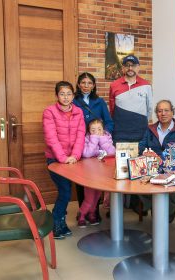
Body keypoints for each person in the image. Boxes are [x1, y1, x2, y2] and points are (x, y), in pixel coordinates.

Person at [138, 100, 175, 222]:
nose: (163, 113)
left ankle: (169, 211)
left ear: (172, 112)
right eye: (159, 111)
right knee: (137, 181)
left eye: (166, 110)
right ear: (156, 114)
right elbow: (141, 146)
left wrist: (163, 159)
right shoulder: (150, 129)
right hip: (152, 166)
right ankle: (154, 206)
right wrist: (146, 152)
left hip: (173, 169)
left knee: (170, 185)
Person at [43, 81, 85, 239]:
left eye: (69, 94)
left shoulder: (79, 112)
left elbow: (81, 136)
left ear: (73, 95)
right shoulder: (49, 112)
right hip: (55, 159)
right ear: (56, 95)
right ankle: (56, 223)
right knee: (65, 192)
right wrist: (63, 158)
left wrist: (74, 156)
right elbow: (51, 138)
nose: (66, 97)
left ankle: (60, 222)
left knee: (66, 192)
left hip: (73, 160)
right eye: (62, 94)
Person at [74, 72, 114, 220]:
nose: (86, 85)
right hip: (81, 144)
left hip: (98, 148)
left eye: (89, 83)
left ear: (94, 85)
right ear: (78, 84)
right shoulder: (73, 101)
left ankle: (94, 211)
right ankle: (82, 210)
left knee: (97, 179)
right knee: (81, 180)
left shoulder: (100, 102)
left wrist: (103, 135)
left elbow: (109, 122)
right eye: (83, 82)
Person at [77, 119, 115, 228]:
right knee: (89, 198)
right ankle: (81, 215)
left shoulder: (107, 138)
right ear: (89, 131)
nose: (96, 132)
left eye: (99, 129)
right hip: (89, 174)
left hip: (102, 175)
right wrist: (94, 139)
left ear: (103, 130)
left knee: (97, 197)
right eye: (93, 130)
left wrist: (102, 140)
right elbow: (87, 154)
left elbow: (112, 152)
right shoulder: (87, 139)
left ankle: (92, 214)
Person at [109, 55, 153, 143]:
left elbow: (149, 108)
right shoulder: (114, 85)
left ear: (138, 68)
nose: (130, 68)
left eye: (133, 65)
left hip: (140, 132)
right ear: (123, 68)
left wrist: (140, 121)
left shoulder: (146, 85)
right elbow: (112, 108)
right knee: (120, 156)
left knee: (140, 156)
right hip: (120, 133)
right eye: (127, 65)